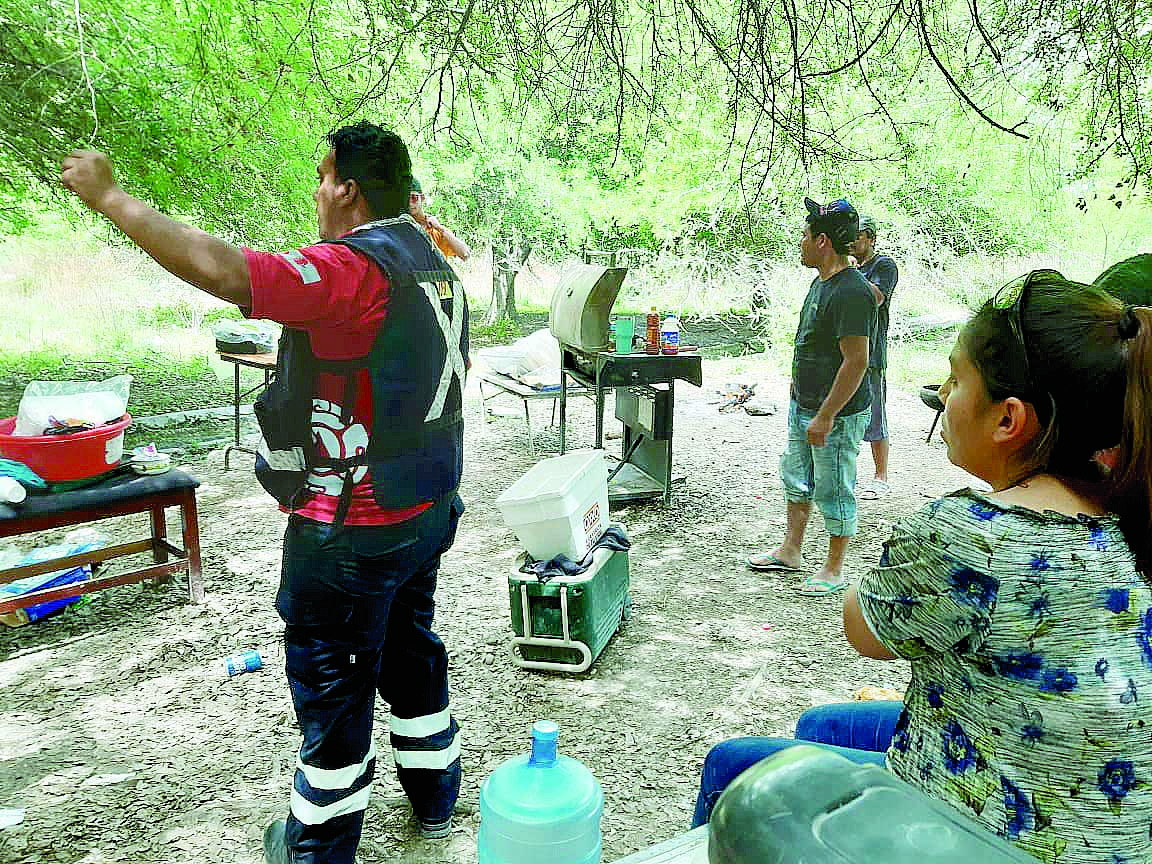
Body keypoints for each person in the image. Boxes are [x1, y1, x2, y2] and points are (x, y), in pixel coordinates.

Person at [61, 121, 469, 864]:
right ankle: (437, 798)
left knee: (334, 683)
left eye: (322, 177)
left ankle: (318, 848)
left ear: (346, 187)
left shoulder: (353, 266)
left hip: (352, 530)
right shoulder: (429, 255)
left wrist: (111, 197)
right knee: (411, 647)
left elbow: (229, 272)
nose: (316, 191)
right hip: (426, 507)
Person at [698, 270, 1152, 864]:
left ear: (1008, 420)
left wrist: (908, 554)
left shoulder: (967, 536)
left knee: (732, 764)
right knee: (821, 723)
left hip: (991, 838)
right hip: (1091, 815)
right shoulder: (1130, 505)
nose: (942, 393)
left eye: (957, 379)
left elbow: (862, 629)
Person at [747, 197, 877, 596]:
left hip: (835, 414)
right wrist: (798, 392)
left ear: (821, 241)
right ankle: (791, 551)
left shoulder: (852, 291)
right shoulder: (820, 283)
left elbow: (857, 362)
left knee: (834, 485)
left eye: (804, 235)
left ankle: (834, 569)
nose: (800, 242)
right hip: (804, 405)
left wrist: (825, 416)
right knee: (796, 477)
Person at [853, 214, 899, 499]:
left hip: (871, 354)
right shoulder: (844, 266)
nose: (853, 241)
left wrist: (850, 272)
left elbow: (876, 297)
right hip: (843, 355)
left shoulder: (884, 265)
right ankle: (847, 474)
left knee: (875, 416)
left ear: (871, 238)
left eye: (859, 235)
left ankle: (881, 476)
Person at [410, 178, 470, 260]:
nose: (410, 203)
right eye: (405, 199)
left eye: (413, 198)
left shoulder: (436, 231)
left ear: (422, 198)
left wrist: (440, 228)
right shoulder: (401, 229)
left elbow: (465, 254)